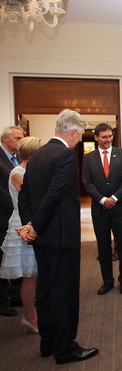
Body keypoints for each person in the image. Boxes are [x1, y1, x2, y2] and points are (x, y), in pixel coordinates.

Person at [17, 109, 98, 364]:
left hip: (41, 239)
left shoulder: (38, 153)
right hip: (60, 237)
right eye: (80, 134)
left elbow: (24, 194)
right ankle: (64, 349)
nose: (78, 139)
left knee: (47, 290)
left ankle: (48, 342)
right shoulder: (64, 154)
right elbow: (54, 195)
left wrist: (29, 225)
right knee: (64, 293)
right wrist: (35, 226)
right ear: (73, 132)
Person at [82, 123, 122, 295]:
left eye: (110, 136)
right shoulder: (88, 158)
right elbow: (87, 182)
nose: (108, 139)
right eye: (104, 137)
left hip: (120, 207)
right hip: (100, 209)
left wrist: (114, 197)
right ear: (96, 137)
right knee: (103, 246)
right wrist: (103, 199)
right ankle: (107, 281)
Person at [0, 136, 42, 334]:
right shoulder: (18, 173)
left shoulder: (31, 171)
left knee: (36, 274)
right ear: (32, 154)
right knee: (30, 276)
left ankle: (35, 314)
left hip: (35, 224)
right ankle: (29, 317)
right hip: (23, 226)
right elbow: (34, 198)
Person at [0, 125, 23, 317]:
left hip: (17, 216)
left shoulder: (19, 158)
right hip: (3, 215)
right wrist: (16, 206)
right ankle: (2, 301)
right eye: (17, 138)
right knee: (2, 259)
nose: (20, 141)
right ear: (5, 139)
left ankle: (17, 295)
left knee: (16, 257)